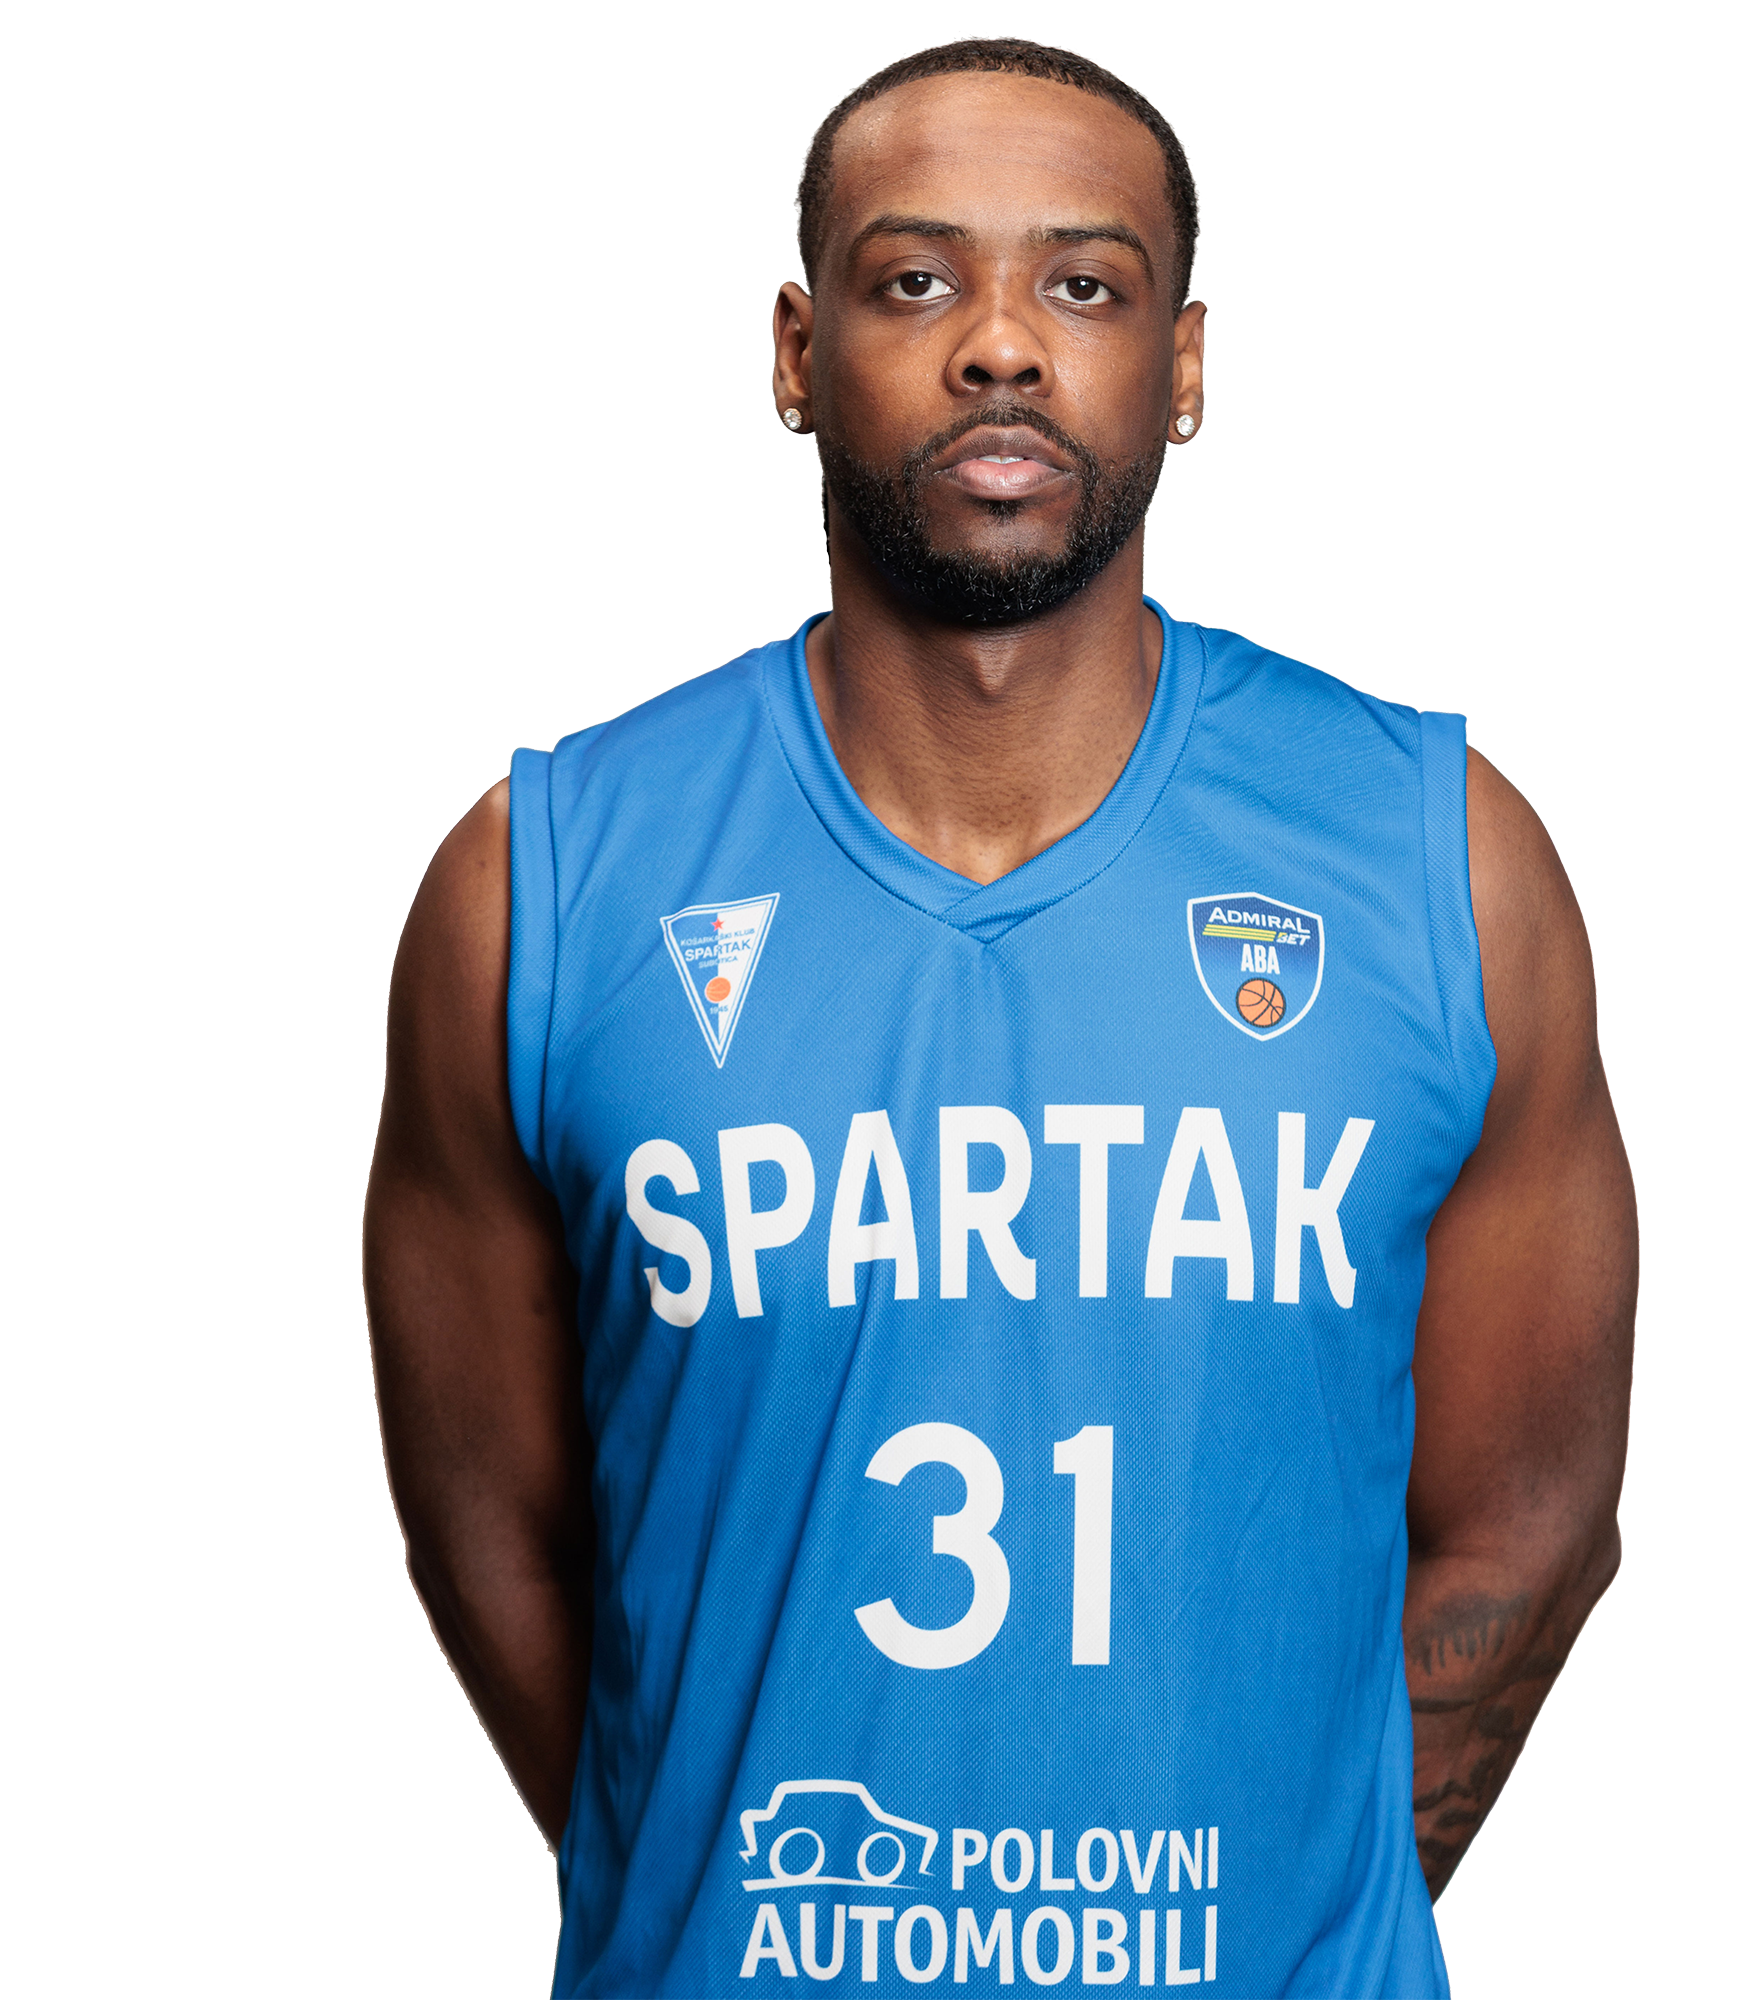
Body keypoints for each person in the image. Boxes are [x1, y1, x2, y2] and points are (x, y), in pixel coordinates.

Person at [364, 35, 1636, 1999]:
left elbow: (1528, 1524)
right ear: (797, 356)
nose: (1001, 347)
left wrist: (1284, 1914)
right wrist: (709, 1868)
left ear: (1186, 365)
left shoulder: (1435, 858)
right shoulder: (542, 885)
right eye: (913, 279)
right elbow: (494, 1534)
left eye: (1084, 284)